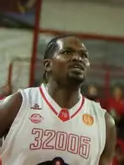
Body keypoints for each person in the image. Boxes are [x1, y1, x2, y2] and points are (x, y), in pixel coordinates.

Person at [0, 35, 116, 164]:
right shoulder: (18, 103)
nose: (78, 58)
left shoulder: (104, 122)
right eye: (67, 52)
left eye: (84, 55)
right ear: (48, 65)